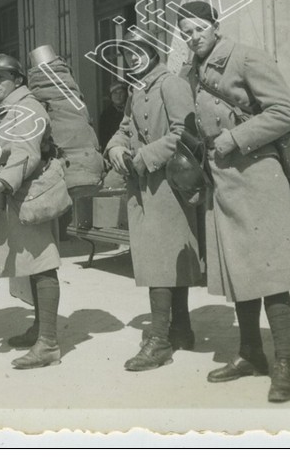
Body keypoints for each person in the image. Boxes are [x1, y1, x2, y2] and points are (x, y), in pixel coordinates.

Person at [179, 0, 290, 403]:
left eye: (198, 28)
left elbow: (286, 112)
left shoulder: (246, 58)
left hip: (258, 176)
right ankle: (251, 354)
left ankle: (284, 366)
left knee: (270, 273)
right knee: (241, 271)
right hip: (223, 180)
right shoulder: (193, 71)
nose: (192, 36)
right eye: (185, 31)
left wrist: (235, 138)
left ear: (215, 25)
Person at [104, 28, 203, 372]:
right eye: (127, 54)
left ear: (153, 51)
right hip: (143, 185)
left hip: (169, 182)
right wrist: (116, 146)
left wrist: (144, 157)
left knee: (163, 259)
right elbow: (125, 126)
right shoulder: (138, 88)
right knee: (161, 257)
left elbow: (186, 133)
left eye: (138, 51)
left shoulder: (171, 84)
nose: (132, 58)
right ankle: (181, 329)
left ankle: (160, 339)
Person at [0, 53, 64, 370]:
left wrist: (4, 180)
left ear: (18, 80)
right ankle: (39, 331)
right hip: (20, 193)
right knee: (30, 263)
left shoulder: (26, 108)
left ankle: (49, 344)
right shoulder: (9, 109)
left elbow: (26, 152)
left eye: (1, 77)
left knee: (43, 262)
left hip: (29, 193)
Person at [98, 82, 128, 148]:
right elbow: (103, 140)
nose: (118, 95)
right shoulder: (106, 115)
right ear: (110, 96)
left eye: (121, 92)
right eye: (115, 93)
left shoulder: (130, 111)